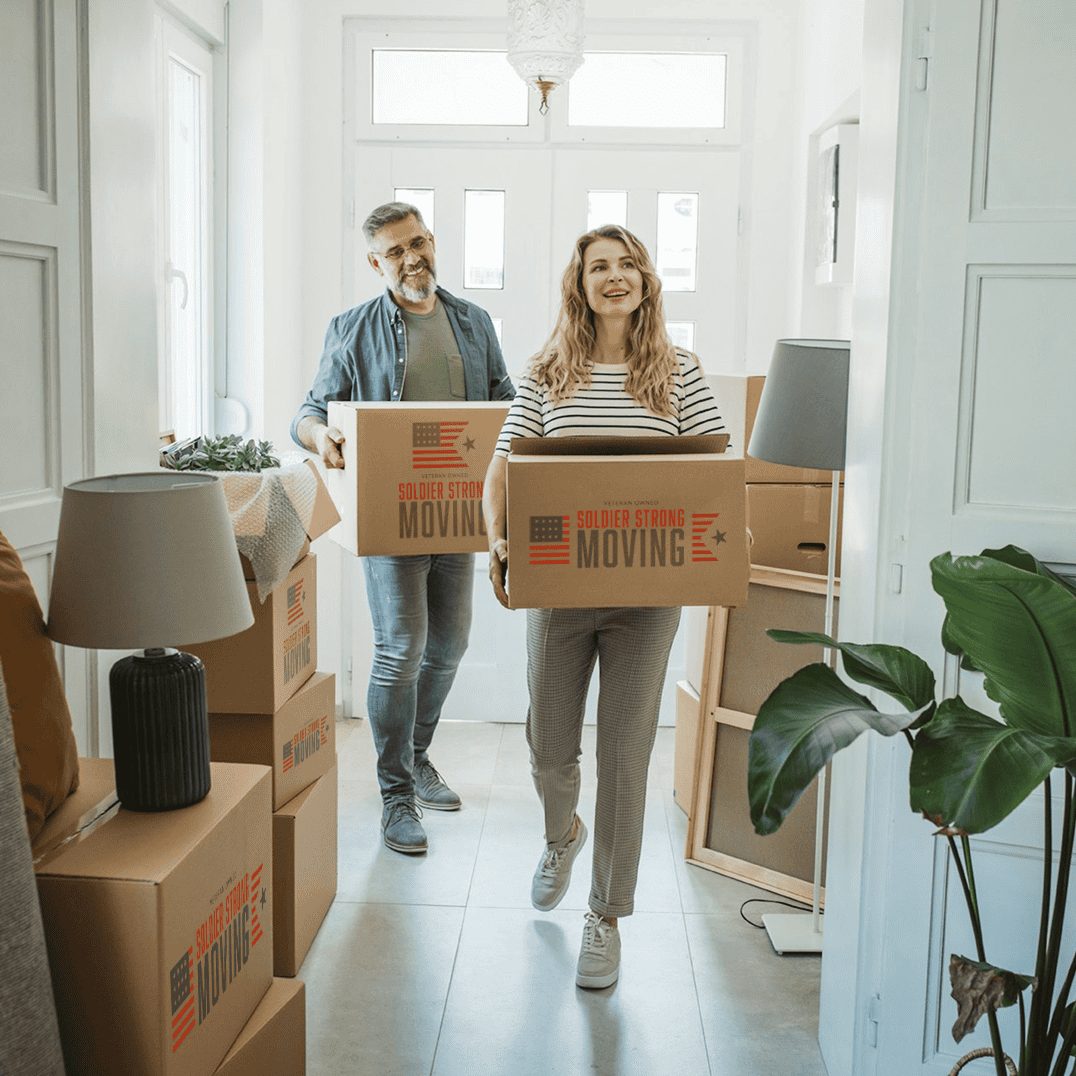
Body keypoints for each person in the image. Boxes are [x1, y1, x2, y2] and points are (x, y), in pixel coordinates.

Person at [482, 224, 729, 989]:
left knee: (624, 758)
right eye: (599, 267)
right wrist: (497, 544)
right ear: (579, 284)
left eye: (628, 265)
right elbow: (502, 470)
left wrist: (728, 540)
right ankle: (562, 835)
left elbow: (714, 471)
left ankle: (605, 915)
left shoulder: (679, 373)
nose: (615, 277)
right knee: (551, 746)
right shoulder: (547, 371)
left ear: (647, 281)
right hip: (560, 594)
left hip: (646, 601)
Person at [292, 201, 514, 855]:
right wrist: (320, 433)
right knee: (400, 649)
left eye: (418, 242)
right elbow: (307, 410)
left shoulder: (472, 322)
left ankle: (417, 757)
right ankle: (395, 797)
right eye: (395, 250)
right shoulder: (352, 327)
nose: (411, 257)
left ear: (433, 242)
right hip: (391, 517)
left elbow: (504, 395)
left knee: (450, 645)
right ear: (375, 262)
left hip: (458, 511)